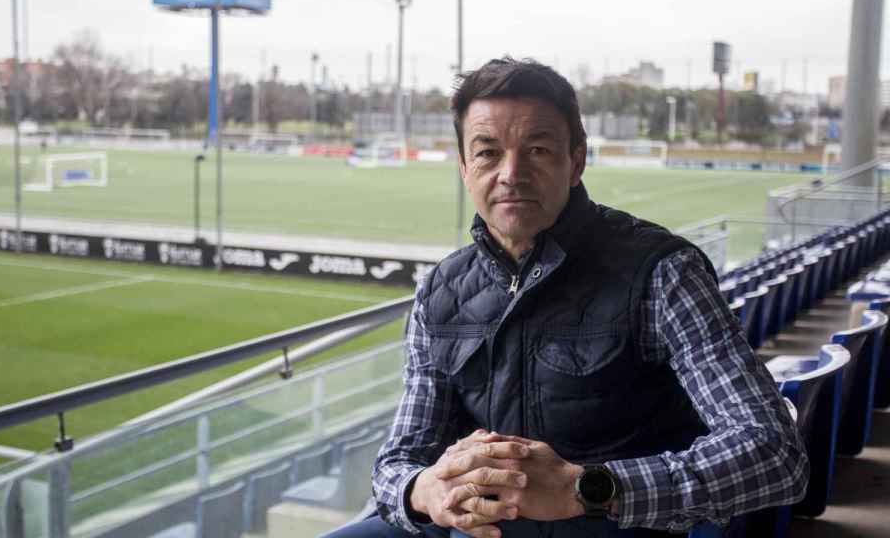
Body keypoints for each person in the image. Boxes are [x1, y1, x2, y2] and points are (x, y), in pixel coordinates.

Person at [329, 58, 807, 538]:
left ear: (576, 161)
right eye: (488, 153)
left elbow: (773, 452)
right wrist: (422, 491)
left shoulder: (662, 273)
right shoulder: (439, 290)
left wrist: (588, 488)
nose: (511, 173)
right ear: (464, 167)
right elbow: (397, 459)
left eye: (537, 150)